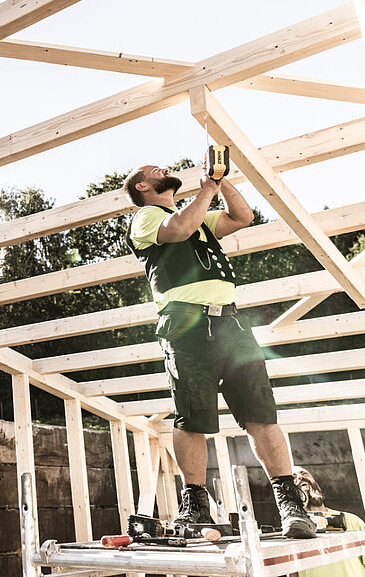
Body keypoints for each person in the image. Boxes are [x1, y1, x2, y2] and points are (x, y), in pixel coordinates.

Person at [122, 163, 315, 538]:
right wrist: (208, 188)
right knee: (192, 416)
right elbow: (178, 228)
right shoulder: (146, 218)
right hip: (185, 324)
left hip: (232, 322)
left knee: (262, 413)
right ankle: (194, 503)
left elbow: (243, 216)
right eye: (153, 169)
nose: (165, 167)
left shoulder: (199, 218)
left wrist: (221, 182)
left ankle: (290, 503)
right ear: (143, 185)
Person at [288, 466, 365, 577]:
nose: (300, 477)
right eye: (294, 477)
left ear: (318, 487)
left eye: (304, 473)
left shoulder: (350, 520)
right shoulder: (294, 530)